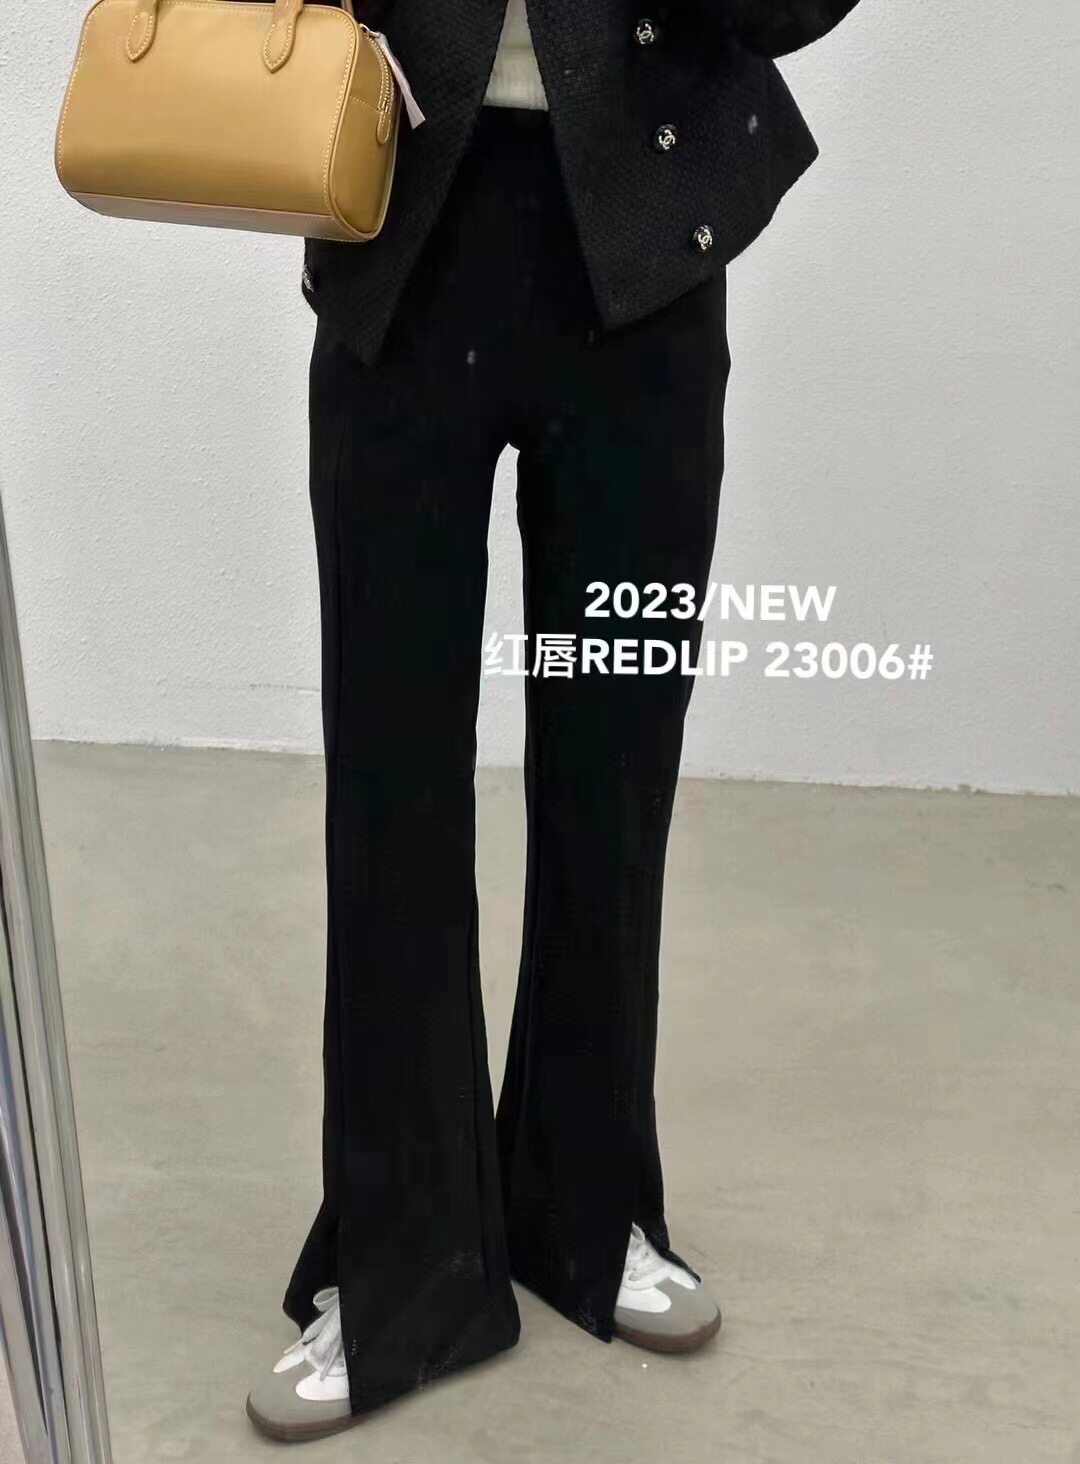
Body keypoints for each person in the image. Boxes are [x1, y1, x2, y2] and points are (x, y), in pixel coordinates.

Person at [246, 0, 860, 1443]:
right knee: (391, 774)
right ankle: (400, 1262)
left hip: (644, 238)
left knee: (615, 767)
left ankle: (590, 1207)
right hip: (402, 222)